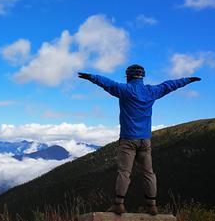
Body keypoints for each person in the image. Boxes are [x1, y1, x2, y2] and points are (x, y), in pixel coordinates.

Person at [78, 64, 201, 215]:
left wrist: (91, 77)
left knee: (124, 172)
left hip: (128, 140)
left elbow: (108, 84)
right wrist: (188, 79)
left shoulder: (125, 90)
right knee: (149, 173)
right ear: (142, 76)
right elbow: (170, 85)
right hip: (145, 140)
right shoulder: (151, 91)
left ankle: (119, 204)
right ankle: (152, 205)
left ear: (128, 76)